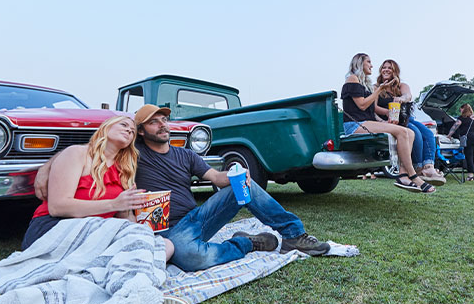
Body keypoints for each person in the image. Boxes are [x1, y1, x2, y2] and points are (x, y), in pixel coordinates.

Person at [36, 105, 330, 273]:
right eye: (154, 122)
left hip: (199, 217)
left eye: (165, 120)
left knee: (245, 186)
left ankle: (294, 236)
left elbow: (215, 178)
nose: (163, 125)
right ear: (141, 131)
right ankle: (248, 243)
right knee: (193, 260)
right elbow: (95, 150)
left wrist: (237, 175)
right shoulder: (133, 153)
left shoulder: (186, 154)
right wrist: (48, 167)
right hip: (165, 230)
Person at [22, 115, 192, 304]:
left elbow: (125, 221)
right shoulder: (77, 154)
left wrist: (142, 228)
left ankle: (124, 289)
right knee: (137, 241)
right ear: (105, 128)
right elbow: (58, 206)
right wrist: (114, 204)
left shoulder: (124, 171)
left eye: (132, 129)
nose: (129, 130)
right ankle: (136, 296)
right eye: (123, 125)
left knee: (165, 245)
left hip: (98, 235)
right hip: (55, 229)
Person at [341, 53, 435, 193]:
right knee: (403, 131)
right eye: (369, 62)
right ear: (360, 63)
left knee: (410, 132)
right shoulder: (352, 78)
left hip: (367, 122)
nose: (372, 65)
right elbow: (362, 105)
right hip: (355, 125)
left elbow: (371, 110)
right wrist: (379, 90)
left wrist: (386, 118)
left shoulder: (364, 83)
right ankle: (414, 176)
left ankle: (403, 175)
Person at [373, 59, 445, 186]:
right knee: (415, 132)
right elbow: (374, 108)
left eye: (390, 68)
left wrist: (401, 98)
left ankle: (428, 167)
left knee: (428, 133)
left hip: (406, 118)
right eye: (384, 67)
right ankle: (418, 168)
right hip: (390, 120)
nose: (386, 70)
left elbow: (408, 96)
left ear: (395, 71)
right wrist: (387, 112)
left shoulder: (401, 86)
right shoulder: (376, 87)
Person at [447, 103, 474, 181]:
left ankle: (470, 175)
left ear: (464, 109)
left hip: (468, 138)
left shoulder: (462, 118)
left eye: (461, 108)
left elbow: (455, 126)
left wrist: (449, 135)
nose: (460, 110)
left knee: (469, 156)